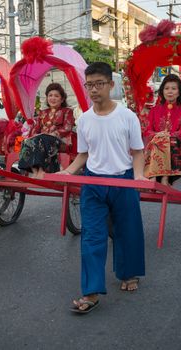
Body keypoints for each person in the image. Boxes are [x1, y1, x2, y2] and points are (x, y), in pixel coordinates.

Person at [58, 62, 147, 314]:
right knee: (92, 237)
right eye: (89, 85)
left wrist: (138, 176)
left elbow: (138, 152)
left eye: (99, 84)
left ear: (111, 84)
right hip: (93, 183)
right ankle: (91, 292)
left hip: (123, 180)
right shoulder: (84, 120)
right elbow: (82, 155)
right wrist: (66, 172)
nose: (94, 89)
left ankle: (129, 273)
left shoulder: (127, 116)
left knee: (127, 231)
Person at [18, 83, 75, 179]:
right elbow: (36, 128)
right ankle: (34, 169)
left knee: (44, 138)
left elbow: (67, 128)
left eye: (56, 96)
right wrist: (33, 136)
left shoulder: (67, 111)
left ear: (62, 99)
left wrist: (51, 134)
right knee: (27, 141)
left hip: (60, 141)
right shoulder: (43, 112)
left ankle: (41, 170)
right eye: (50, 95)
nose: (53, 98)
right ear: (47, 98)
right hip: (42, 139)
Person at [143, 74, 181, 186]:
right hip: (156, 142)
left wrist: (165, 136)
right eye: (166, 88)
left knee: (168, 141)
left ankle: (159, 176)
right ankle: (159, 176)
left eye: (174, 89)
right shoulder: (154, 110)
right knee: (158, 140)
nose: (170, 91)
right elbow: (148, 131)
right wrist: (159, 135)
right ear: (162, 91)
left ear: (179, 92)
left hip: (175, 145)